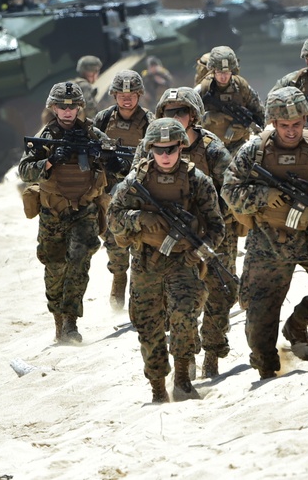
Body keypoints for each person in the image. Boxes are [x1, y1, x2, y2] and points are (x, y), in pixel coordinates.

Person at [222, 87, 308, 380]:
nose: (292, 131)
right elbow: (230, 191)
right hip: (268, 238)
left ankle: (298, 324)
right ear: (272, 122)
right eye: (284, 126)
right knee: (259, 314)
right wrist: (264, 195)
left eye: (297, 125)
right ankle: (268, 365)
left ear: (306, 119)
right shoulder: (253, 151)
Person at [107, 118, 225, 403]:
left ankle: (183, 379)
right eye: (159, 150)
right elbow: (112, 219)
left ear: (180, 147)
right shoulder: (135, 182)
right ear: (150, 149)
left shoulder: (198, 181)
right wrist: (139, 219)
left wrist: (198, 252)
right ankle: (158, 387)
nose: (165, 155)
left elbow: (217, 227)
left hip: (183, 262)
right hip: (146, 262)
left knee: (184, 317)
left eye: (171, 149)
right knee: (148, 327)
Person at [134, 87, 239, 378]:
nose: (176, 117)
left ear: (193, 115)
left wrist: (207, 221)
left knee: (221, 292)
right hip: (169, 237)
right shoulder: (149, 147)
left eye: (181, 112)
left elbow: (230, 191)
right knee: (176, 299)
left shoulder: (212, 148)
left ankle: (213, 353)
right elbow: (133, 187)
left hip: (213, 233)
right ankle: (186, 354)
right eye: (169, 112)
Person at [18, 81, 117, 344]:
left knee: (79, 264)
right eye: (62, 106)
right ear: (53, 108)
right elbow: (25, 171)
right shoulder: (46, 137)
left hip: (84, 210)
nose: (67, 111)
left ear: (80, 108)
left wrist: (106, 157)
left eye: (73, 107)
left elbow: (115, 162)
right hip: (53, 213)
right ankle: (59, 322)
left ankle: (71, 323)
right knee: (55, 269)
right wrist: (50, 160)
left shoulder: (92, 134)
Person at [92, 70, 154, 309]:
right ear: (114, 95)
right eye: (121, 94)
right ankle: (119, 277)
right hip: (110, 193)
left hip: (140, 193)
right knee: (113, 241)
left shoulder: (150, 121)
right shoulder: (103, 119)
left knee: (142, 242)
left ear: (139, 95)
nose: (126, 99)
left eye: (132, 94)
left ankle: (139, 296)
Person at [194, 46, 265, 156]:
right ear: (212, 70)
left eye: (227, 72)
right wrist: (208, 117)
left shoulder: (242, 88)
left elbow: (260, 113)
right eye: (219, 72)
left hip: (239, 146)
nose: (223, 77)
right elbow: (188, 121)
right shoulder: (202, 89)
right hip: (209, 145)